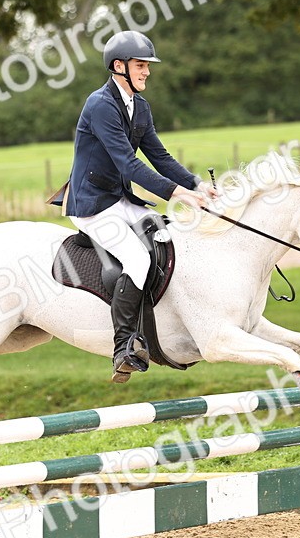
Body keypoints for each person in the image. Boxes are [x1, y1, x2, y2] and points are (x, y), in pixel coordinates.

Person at [61, 30, 218, 382]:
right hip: (92, 205)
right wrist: (176, 193)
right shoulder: (100, 105)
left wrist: (197, 184)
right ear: (119, 66)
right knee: (138, 258)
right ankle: (124, 346)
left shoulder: (139, 106)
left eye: (147, 65)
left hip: (119, 199)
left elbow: (159, 156)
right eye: (141, 65)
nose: (147, 71)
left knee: (167, 237)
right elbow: (128, 165)